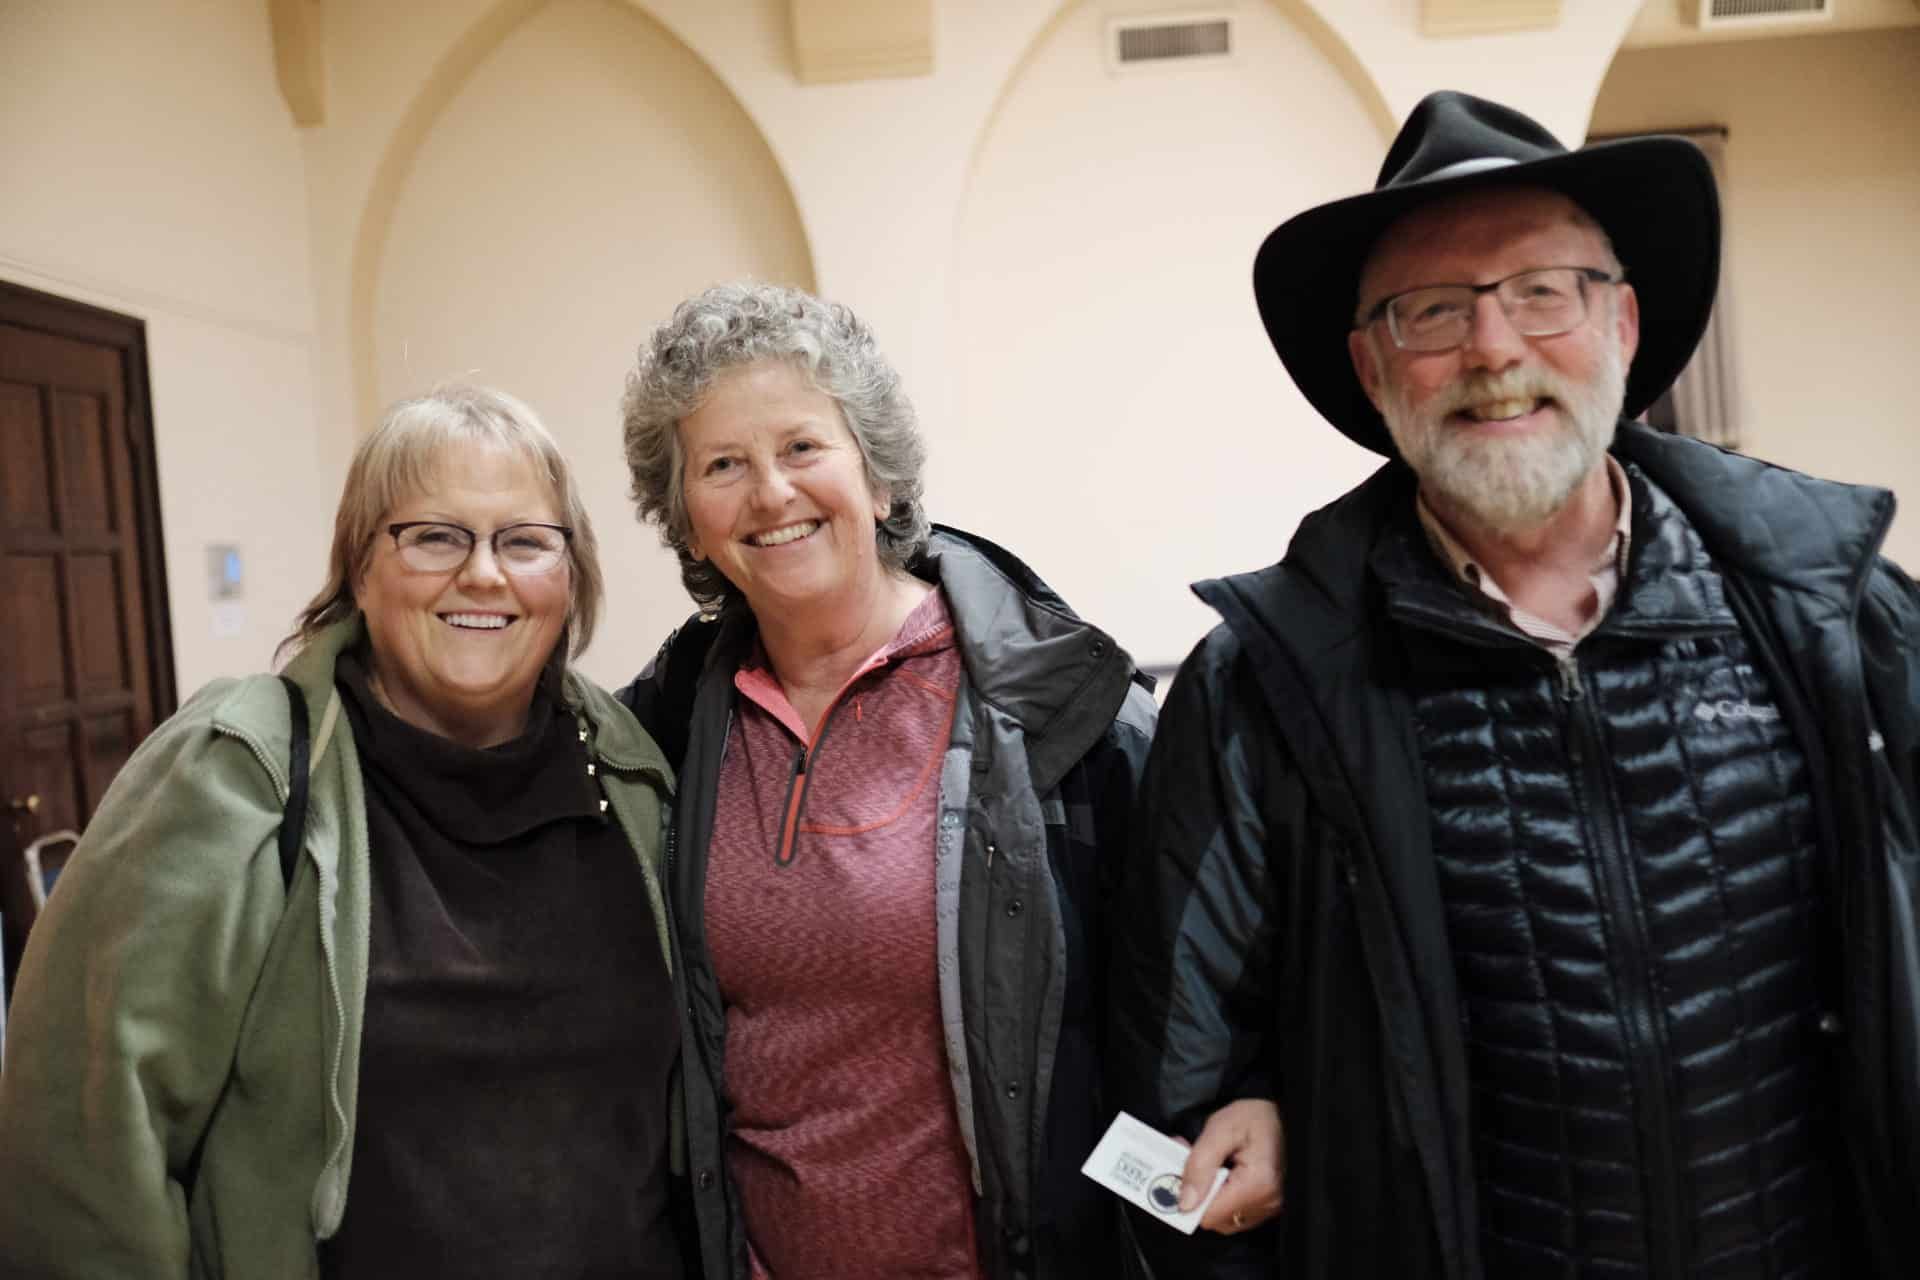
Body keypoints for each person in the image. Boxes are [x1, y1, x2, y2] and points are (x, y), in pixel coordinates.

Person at [1109, 90, 1920, 1278]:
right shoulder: (1260, 688)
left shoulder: (1837, 616)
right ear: (1372, 369)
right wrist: (1249, 1123)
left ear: (1626, 323)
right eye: (1432, 310)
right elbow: (1166, 1106)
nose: (1493, 349)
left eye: (1544, 291)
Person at [0, 385, 686, 1278]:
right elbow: (81, 1147)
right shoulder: (236, 772)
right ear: (360, 569)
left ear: (571, 575)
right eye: (435, 535)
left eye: (524, 541)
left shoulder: (635, 774)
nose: (483, 573)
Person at [617, 282, 1159, 1280]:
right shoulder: (662, 732)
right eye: (724, 465)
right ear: (687, 520)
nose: (771, 493)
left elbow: (1180, 1015)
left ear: (878, 477)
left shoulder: (1059, 709)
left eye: (802, 448)